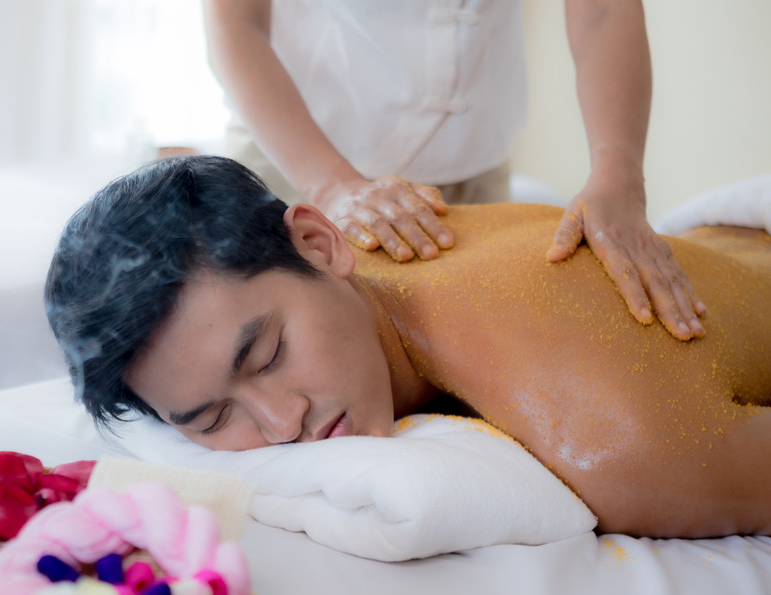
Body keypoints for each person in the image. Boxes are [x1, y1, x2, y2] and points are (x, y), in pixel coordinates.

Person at [44, 155, 770, 540]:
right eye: (210, 419)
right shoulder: (341, 278)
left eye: (267, 355)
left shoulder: (615, 446)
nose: (282, 423)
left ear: (320, 243)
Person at [203, 0, 707, 341]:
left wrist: (620, 174)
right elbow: (235, 21)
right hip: (295, 156)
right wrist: (330, 184)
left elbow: (603, 9)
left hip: (469, 164)